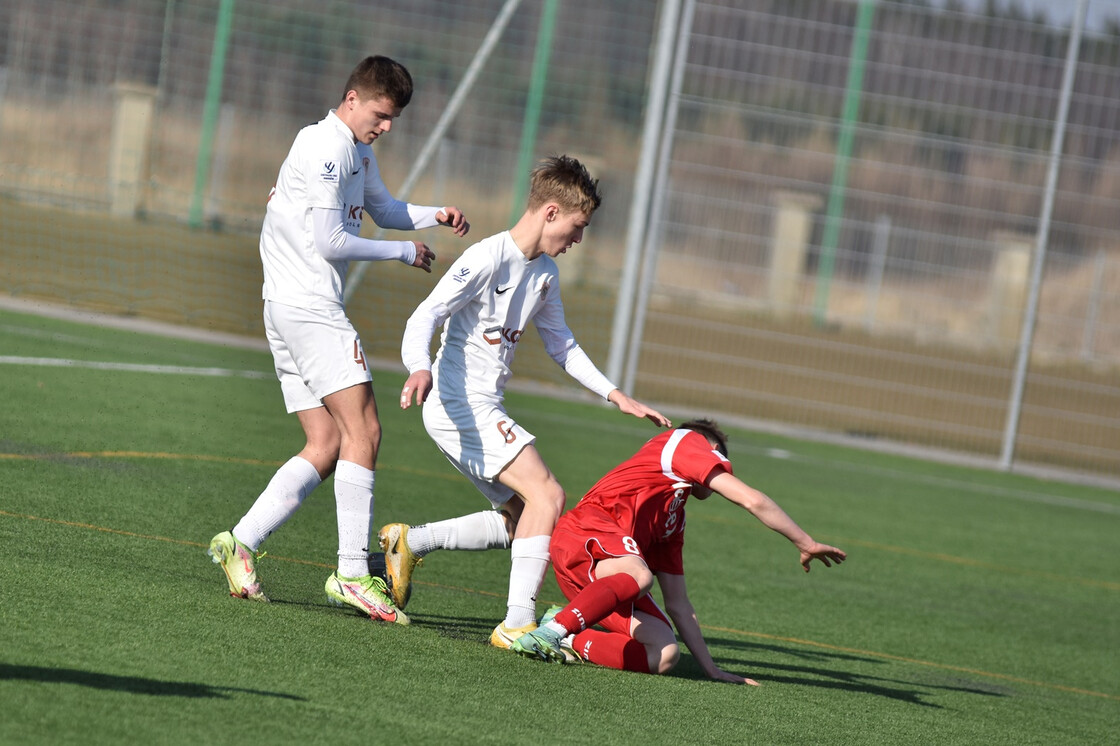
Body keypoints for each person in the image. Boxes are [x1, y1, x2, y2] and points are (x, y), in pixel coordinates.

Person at [207, 55, 469, 625]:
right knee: (366, 431)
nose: (387, 126)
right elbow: (330, 240)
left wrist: (433, 216)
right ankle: (352, 572)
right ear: (352, 98)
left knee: (326, 442)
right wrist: (404, 252)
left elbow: (384, 209)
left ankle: (240, 542)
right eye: (381, 114)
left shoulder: (357, 149)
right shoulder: (325, 147)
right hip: (309, 307)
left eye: (394, 118)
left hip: (285, 307)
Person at [380, 155, 671, 649]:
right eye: (578, 227)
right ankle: (516, 622)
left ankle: (411, 541)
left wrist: (615, 395)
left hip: (478, 406)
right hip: (457, 402)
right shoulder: (485, 259)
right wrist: (419, 366)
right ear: (552, 213)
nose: (578, 240)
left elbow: (562, 345)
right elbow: (422, 318)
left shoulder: (544, 275)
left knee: (523, 518)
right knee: (549, 496)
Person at [509, 419, 846, 683]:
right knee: (638, 575)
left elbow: (679, 605)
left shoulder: (672, 518)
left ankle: (566, 633)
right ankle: (548, 634)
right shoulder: (685, 441)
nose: (721, 470)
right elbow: (752, 499)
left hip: (597, 579)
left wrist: (711, 669)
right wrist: (805, 542)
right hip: (584, 533)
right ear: (711, 448)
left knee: (665, 653)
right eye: (720, 460)